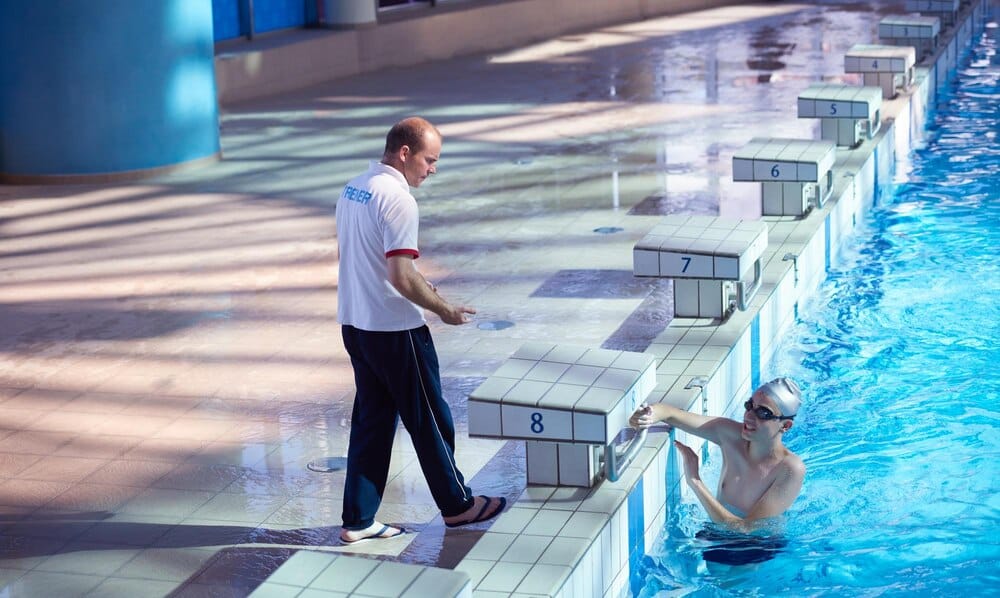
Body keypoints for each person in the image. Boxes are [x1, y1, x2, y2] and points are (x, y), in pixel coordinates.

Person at [335, 117, 506, 545]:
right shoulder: (398, 200)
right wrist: (443, 308)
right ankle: (458, 506)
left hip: (356, 324)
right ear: (405, 152)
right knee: (430, 419)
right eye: (430, 160)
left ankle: (358, 519)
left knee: (372, 422)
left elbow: (368, 258)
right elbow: (398, 274)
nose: (433, 169)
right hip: (396, 330)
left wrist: (415, 280)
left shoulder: (354, 188)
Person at [630, 377, 805, 533]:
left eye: (763, 413)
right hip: (718, 529)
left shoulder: (789, 469)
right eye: (749, 405)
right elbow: (672, 414)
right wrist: (647, 415)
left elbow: (747, 530)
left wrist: (695, 482)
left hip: (756, 549)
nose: (749, 416)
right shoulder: (729, 434)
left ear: (786, 425)